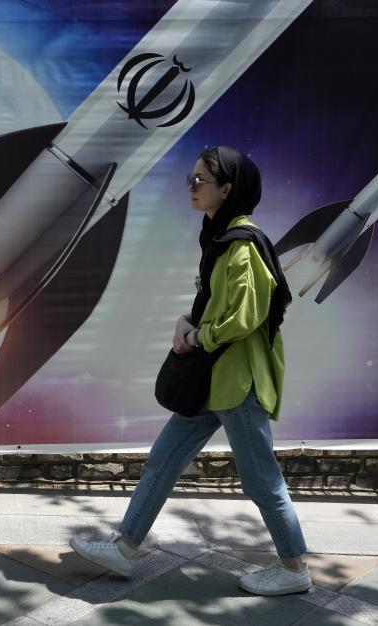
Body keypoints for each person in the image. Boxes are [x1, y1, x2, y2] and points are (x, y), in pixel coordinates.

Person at [70, 146, 312, 596]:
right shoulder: (219, 237)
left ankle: (294, 568)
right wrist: (190, 320)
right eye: (191, 179)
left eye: (200, 181)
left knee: (262, 479)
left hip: (236, 383)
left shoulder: (241, 245)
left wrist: (200, 337)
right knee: (162, 461)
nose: (192, 187)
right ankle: (125, 547)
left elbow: (247, 316)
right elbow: (219, 304)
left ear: (228, 189)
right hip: (211, 381)